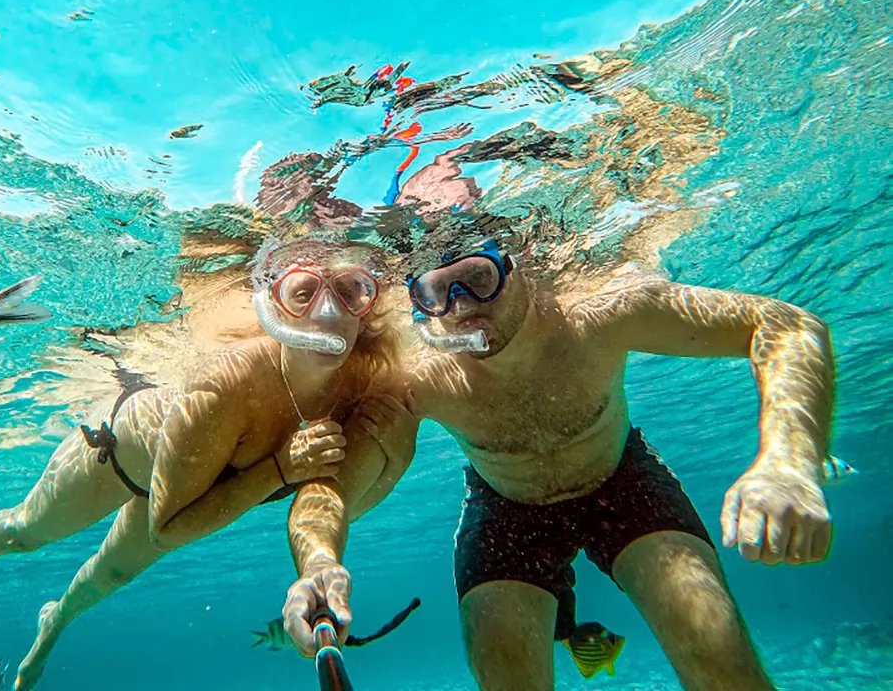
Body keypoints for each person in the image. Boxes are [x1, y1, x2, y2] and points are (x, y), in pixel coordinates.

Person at [281, 236, 835, 691]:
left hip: (622, 479)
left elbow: (786, 327)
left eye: (478, 278)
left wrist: (788, 461)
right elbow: (333, 484)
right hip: (506, 510)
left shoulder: (600, 313)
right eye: (435, 292)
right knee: (504, 677)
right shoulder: (419, 375)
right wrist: (318, 559)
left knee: (722, 663)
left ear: (517, 264)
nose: (462, 307)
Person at [0, 236, 405, 690]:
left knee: (106, 579)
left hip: (197, 491)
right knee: (24, 531)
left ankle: (51, 628)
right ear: (274, 304)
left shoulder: (364, 378)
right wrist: (279, 472)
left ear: (370, 301)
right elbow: (166, 528)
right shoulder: (227, 384)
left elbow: (343, 491)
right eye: (303, 292)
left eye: (351, 290)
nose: (329, 311)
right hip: (121, 458)